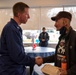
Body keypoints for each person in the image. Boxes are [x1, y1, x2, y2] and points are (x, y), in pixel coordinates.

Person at [0, 2, 41, 75]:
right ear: (19, 15)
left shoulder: (16, 28)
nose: (29, 17)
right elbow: (17, 55)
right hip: (11, 71)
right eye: (26, 14)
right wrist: (34, 60)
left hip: (16, 69)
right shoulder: (11, 29)